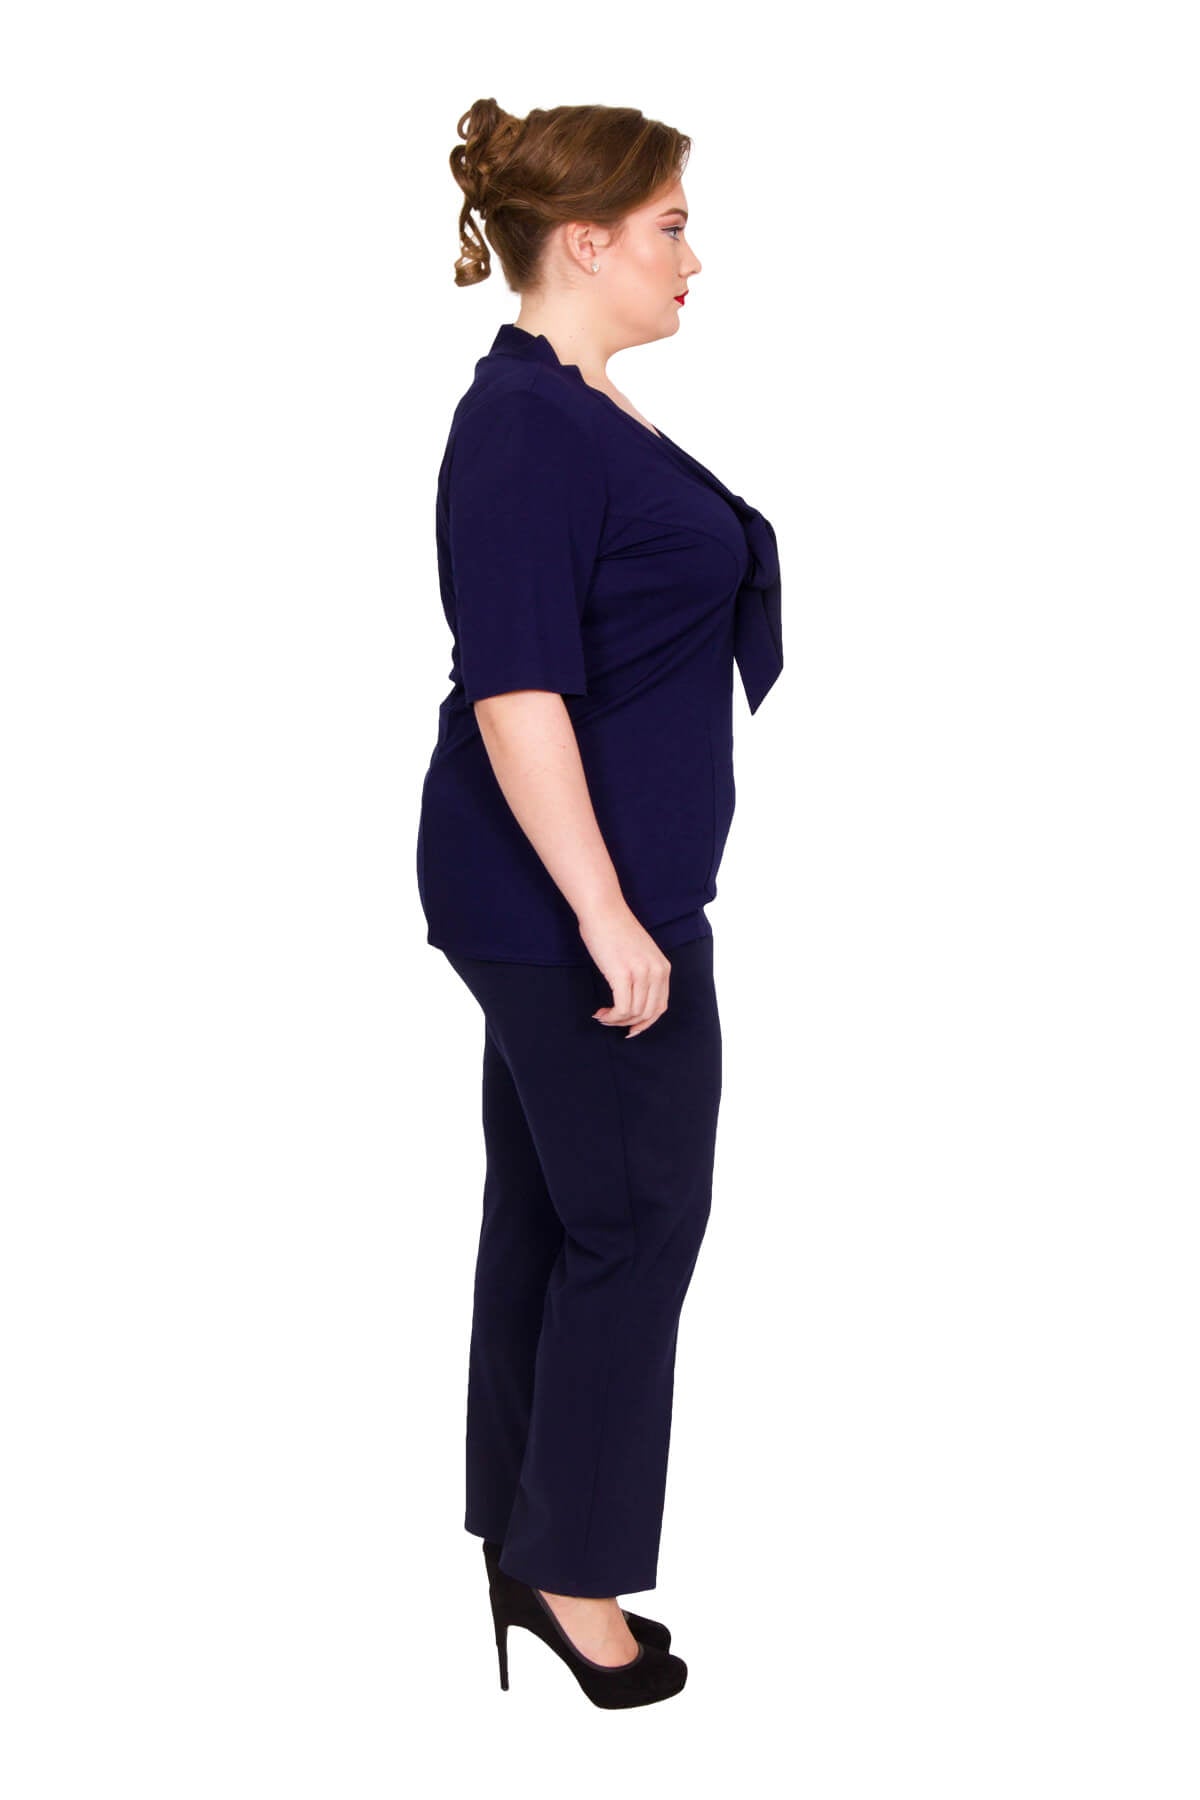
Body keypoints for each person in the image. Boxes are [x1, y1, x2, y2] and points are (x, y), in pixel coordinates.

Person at [415, 98, 784, 1709]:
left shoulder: (574, 405)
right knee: (635, 1224)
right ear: (584, 241)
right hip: (568, 905)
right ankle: (572, 1574)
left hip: (572, 893)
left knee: (561, 1212)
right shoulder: (523, 428)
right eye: (671, 226)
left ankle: (522, 1535)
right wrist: (610, 920)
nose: (693, 255)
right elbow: (518, 695)